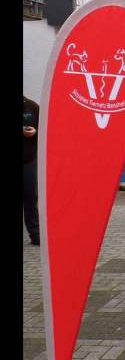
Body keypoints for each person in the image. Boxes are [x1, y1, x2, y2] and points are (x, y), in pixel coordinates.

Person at [23, 95, 40, 246]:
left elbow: (45, 128)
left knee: (30, 198)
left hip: (28, 161)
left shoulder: (32, 106)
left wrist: (35, 132)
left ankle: (35, 235)